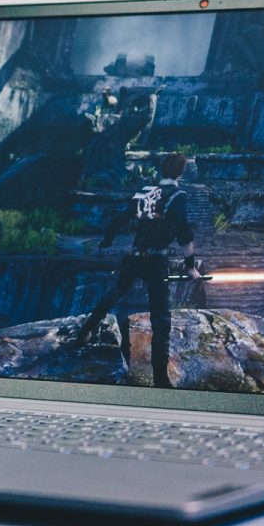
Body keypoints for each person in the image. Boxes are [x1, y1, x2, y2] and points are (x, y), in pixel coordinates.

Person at [75, 152, 201, 388]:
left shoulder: (146, 191)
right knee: (161, 318)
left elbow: (119, 220)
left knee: (115, 293)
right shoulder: (177, 196)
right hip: (156, 261)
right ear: (180, 173)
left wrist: (106, 242)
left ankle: (84, 332)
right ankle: (161, 380)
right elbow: (184, 232)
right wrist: (191, 266)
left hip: (134, 256)